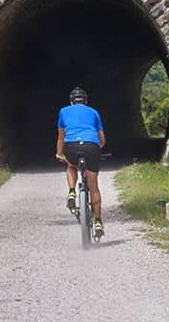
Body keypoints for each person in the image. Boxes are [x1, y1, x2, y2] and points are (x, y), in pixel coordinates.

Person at [55, 86, 106, 239]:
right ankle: (97, 222)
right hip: (92, 146)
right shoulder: (94, 112)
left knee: (70, 165)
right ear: (86, 101)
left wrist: (60, 153)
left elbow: (61, 137)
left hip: (71, 146)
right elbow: (102, 138)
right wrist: (97, 148)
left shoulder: (63, 111)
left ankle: (72, 191)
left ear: (71, 102)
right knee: (94, 187)